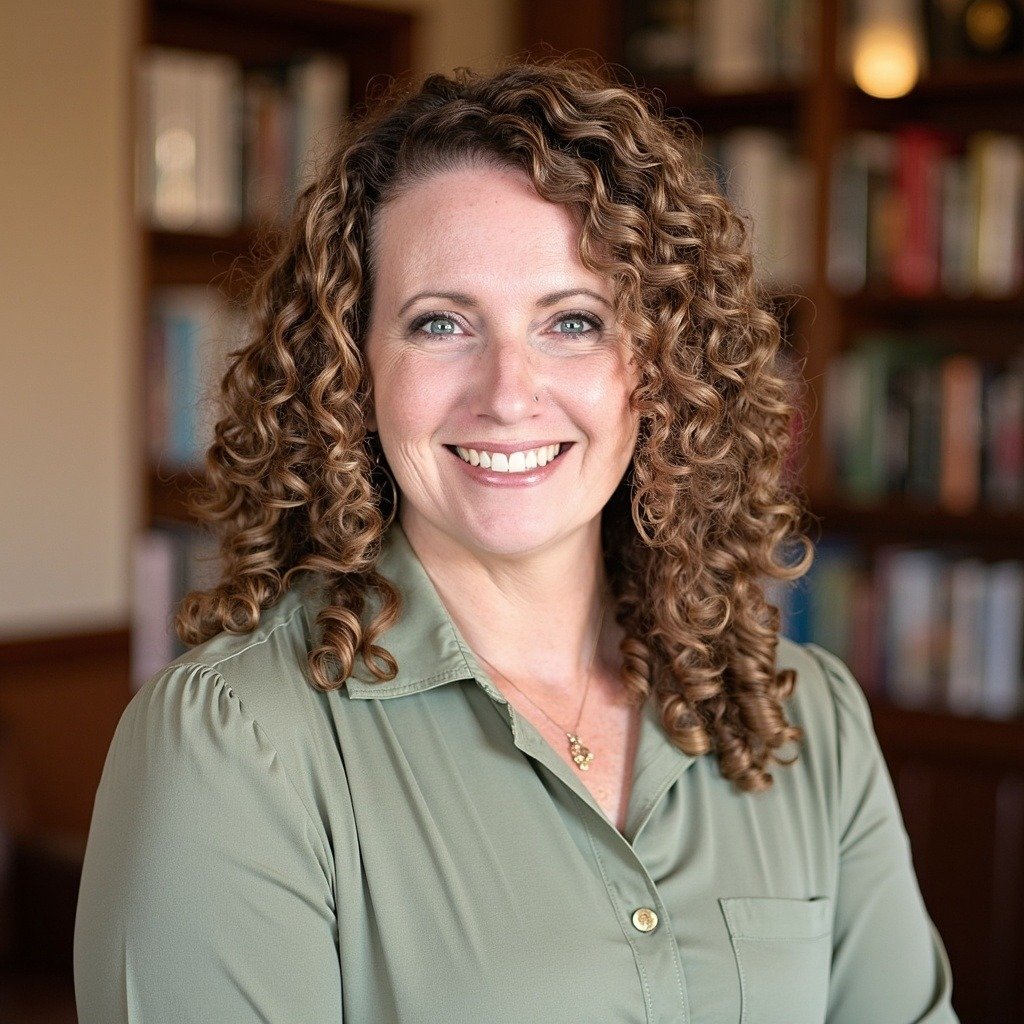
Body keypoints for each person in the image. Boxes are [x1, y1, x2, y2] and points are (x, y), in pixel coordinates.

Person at [73, 56, 960, 1023]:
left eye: (573, 322)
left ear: (662, 363)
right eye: (442, 322)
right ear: (351, 370)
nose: (507, 394)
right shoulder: (233, 748)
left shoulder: (807, 725)